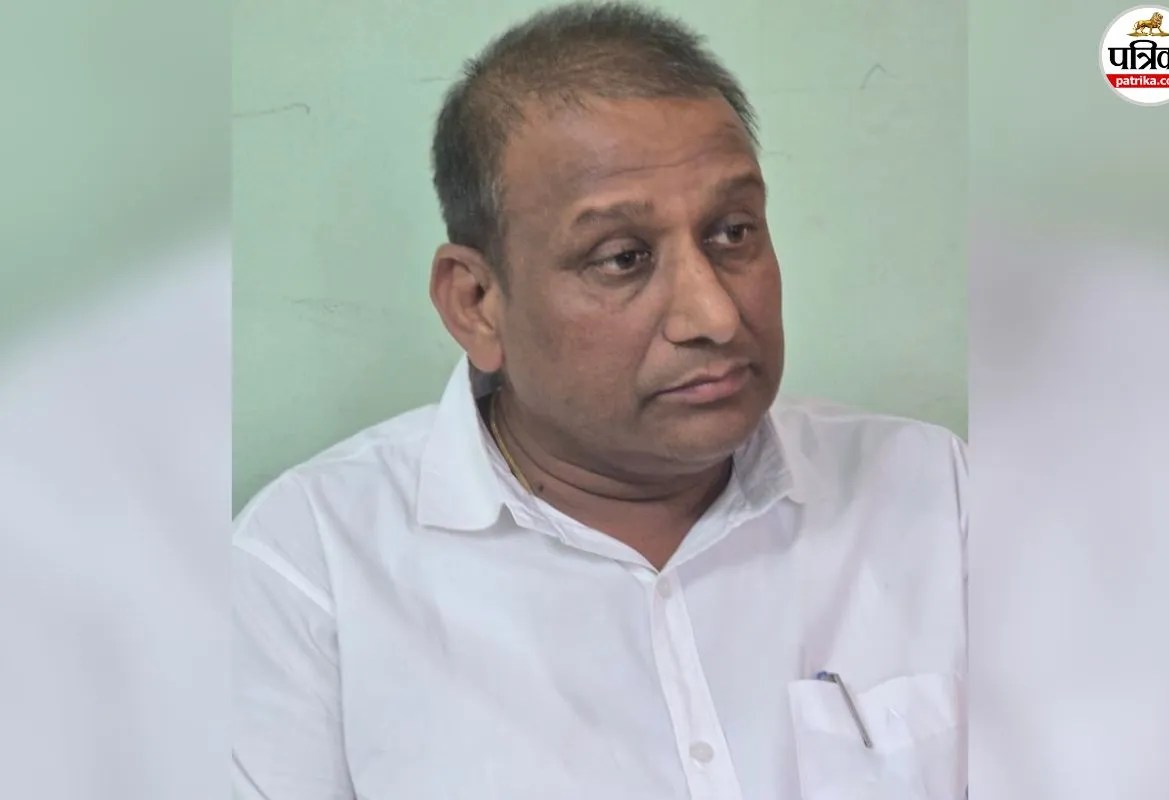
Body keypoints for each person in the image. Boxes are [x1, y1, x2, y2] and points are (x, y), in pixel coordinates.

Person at [233, 3, 966, 798]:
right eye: (622, 258)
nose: (714, 316)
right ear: (476, 303)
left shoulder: (940, 497)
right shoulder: (313, 569)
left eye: (732, 232)